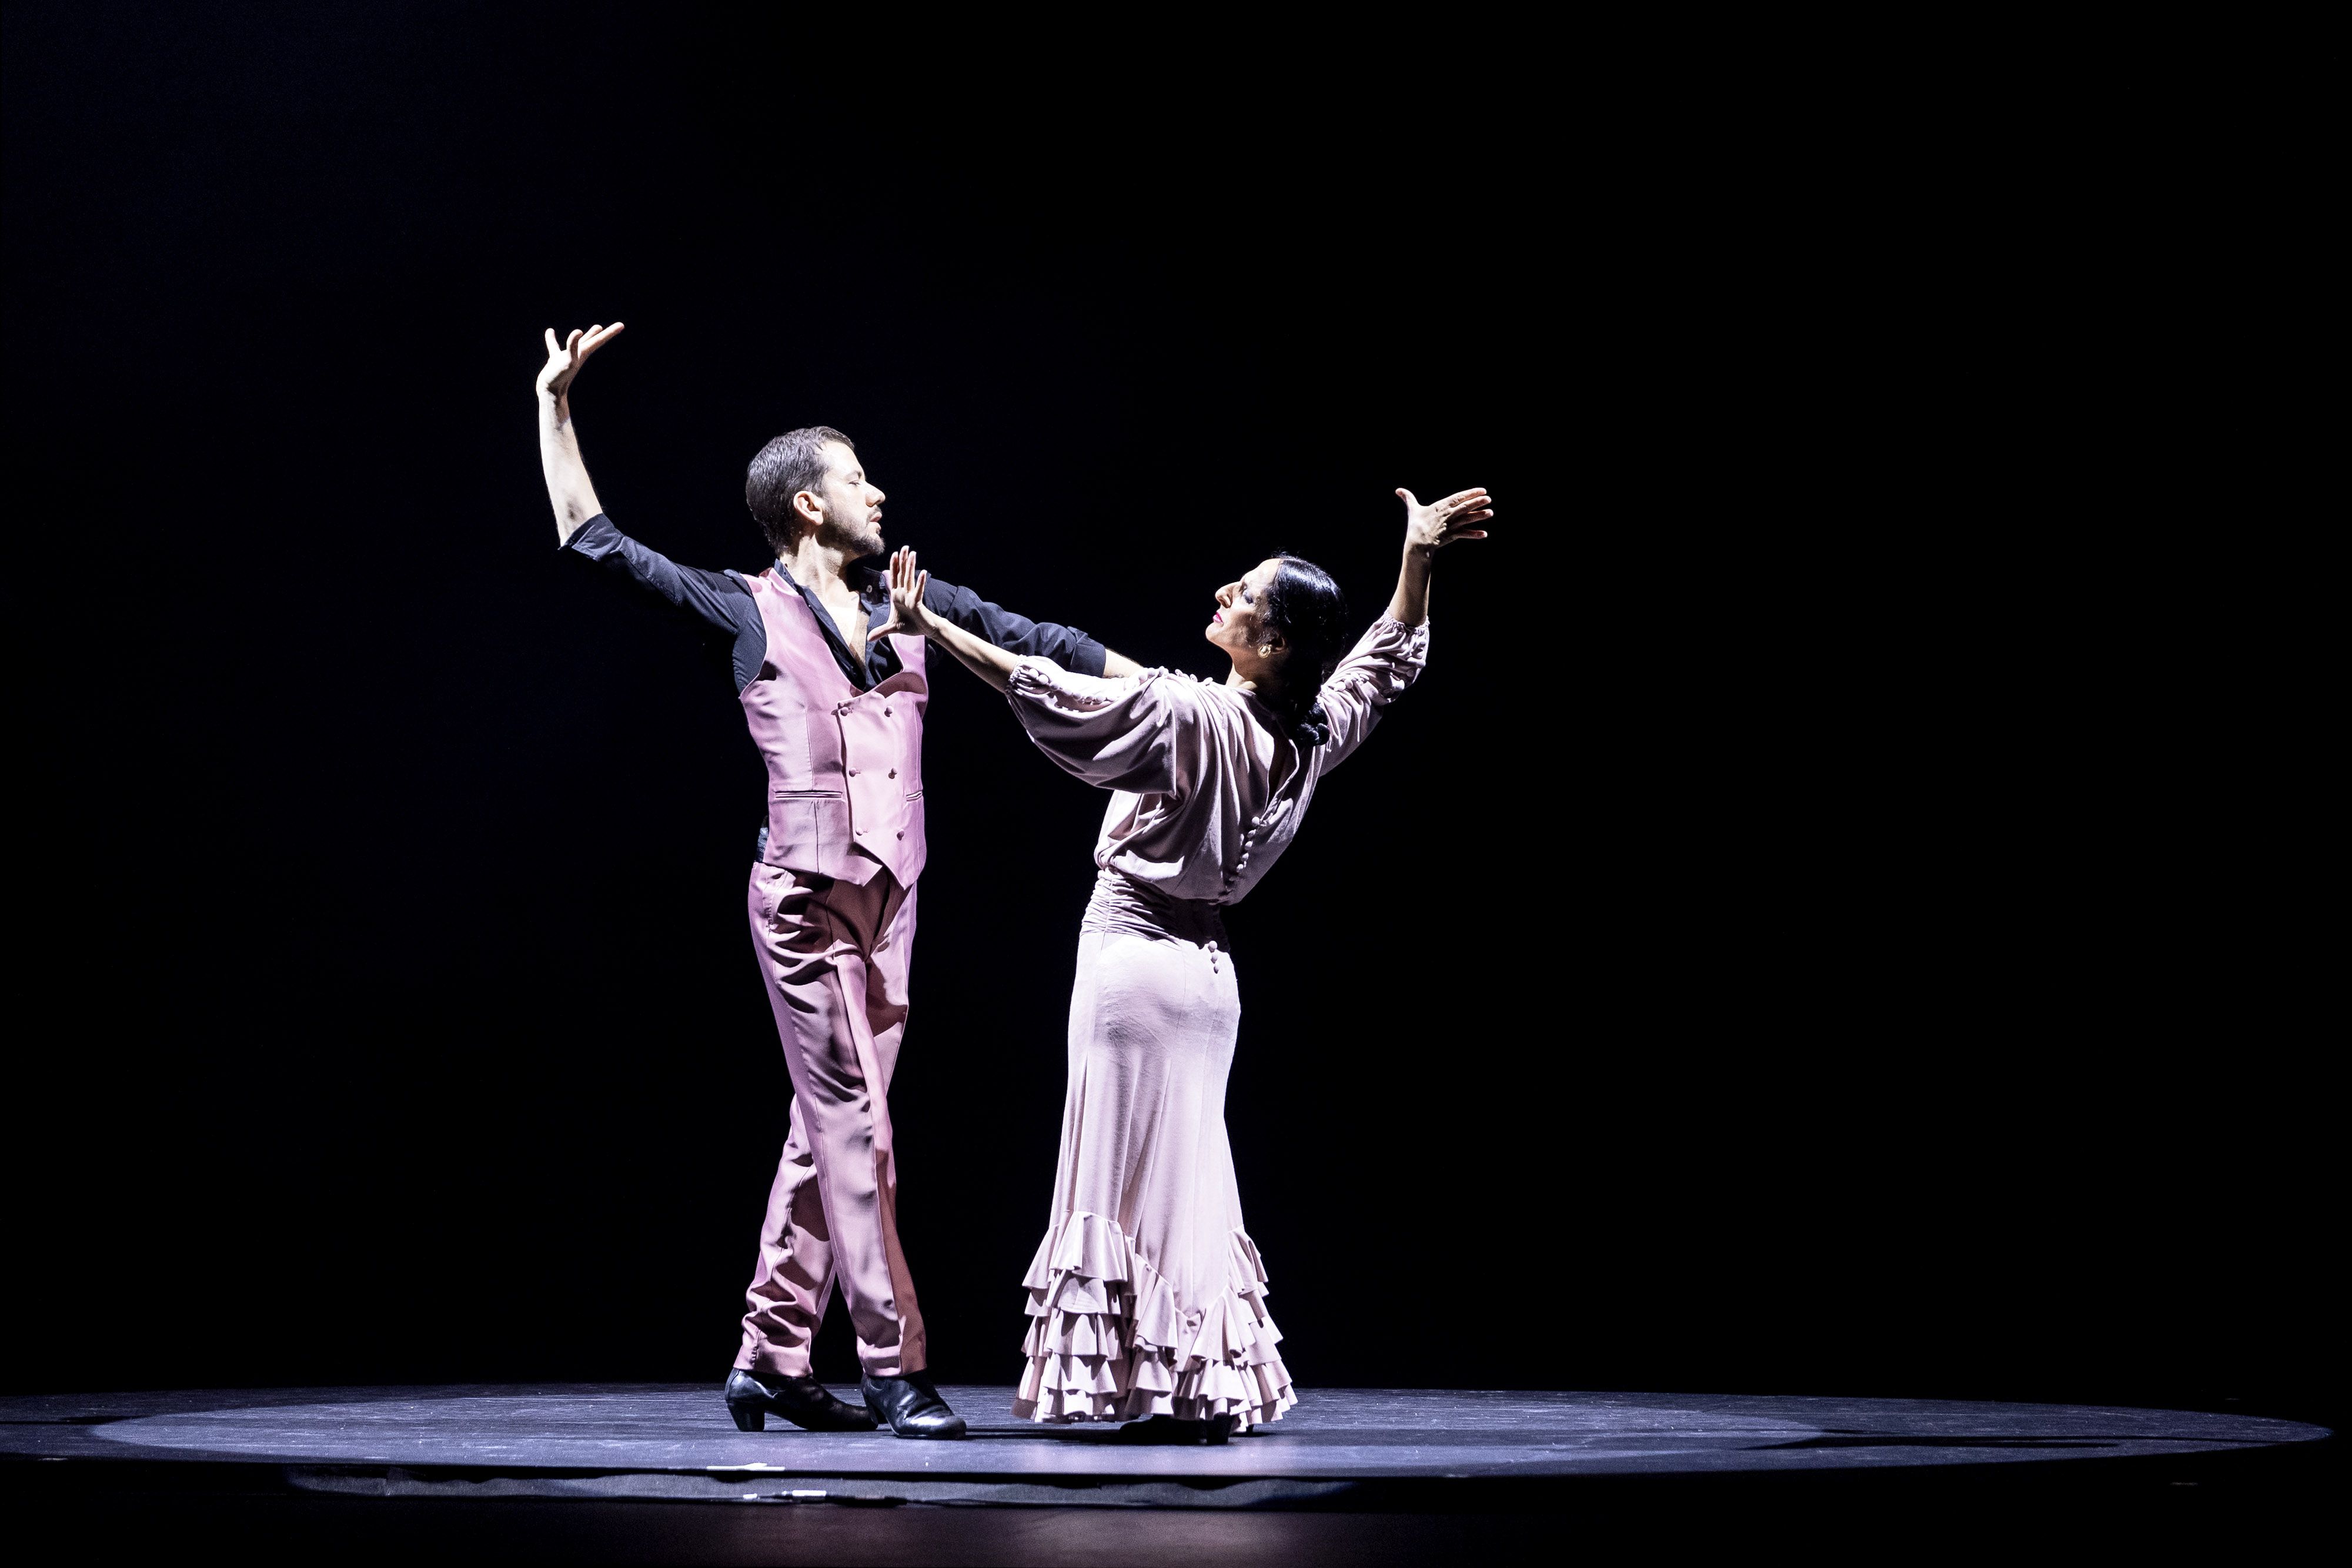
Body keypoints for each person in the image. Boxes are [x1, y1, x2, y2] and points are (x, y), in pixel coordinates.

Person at [533, 322, 1140, 1439]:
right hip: (804, 908)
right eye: (859, 480)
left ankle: (769, 1357)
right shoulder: (745, 608)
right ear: (808, 505)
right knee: (858, 1131)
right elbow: (598, 544)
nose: (880, 493)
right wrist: (555, 406)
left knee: (829, 1134)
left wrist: (1171, 693)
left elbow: (1045, 641)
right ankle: (893, 1364)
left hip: (892, 905)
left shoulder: (912, 601)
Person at [871, 483, 1493, 1439]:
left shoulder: (1194, 716)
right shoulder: (1310, 732)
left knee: (1120, 1171)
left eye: (1246, 594)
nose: (1223, 594)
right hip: (1208, 984)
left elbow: (1050, 691)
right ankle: (1191, 1380)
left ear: (1273, 642)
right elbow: (1384, 663)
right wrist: (1417, 560)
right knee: (1188, 1179)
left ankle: (1146, 1379)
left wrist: (934, 631)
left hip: (1133, 961)